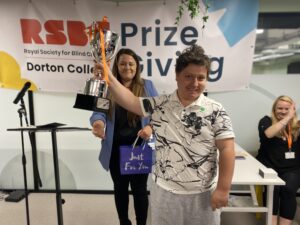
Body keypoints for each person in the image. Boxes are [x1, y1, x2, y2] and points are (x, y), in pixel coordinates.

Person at [94, 44, 235, 225]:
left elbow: (227, 149)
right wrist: (108, 76)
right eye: (188, 76)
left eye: (201, 78)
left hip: (203, 193)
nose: (194, 83)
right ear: (177, 76)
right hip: (165, 193)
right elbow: (130, 101)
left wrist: (223, 188)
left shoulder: (216, 110)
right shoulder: (160, 105)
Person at [90, 48, 158, 225]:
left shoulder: (146, 86)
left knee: (140, 190)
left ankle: (141, 223)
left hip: (140, 147)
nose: (127, 67)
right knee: (120, 189)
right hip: (115, 149)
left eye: (131, 63)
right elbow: (99, 112)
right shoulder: (106, 86)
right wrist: (98, 124)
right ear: (116, 66)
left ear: (137, 66)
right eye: (122, 63)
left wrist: (151, 127)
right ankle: (124, 222)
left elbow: (158, 114)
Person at [256, 95, 300, 225]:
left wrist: (292, 120)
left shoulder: (297, 126)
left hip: (293, 169)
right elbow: (269, 134)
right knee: (272, 190)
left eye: (287, 109)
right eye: (279, 108)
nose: (283, 111)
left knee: (289, 189)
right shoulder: (266, 121)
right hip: (269, 167)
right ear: (274, 109)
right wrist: (287, 119)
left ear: (292, 110)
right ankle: (272, 222)